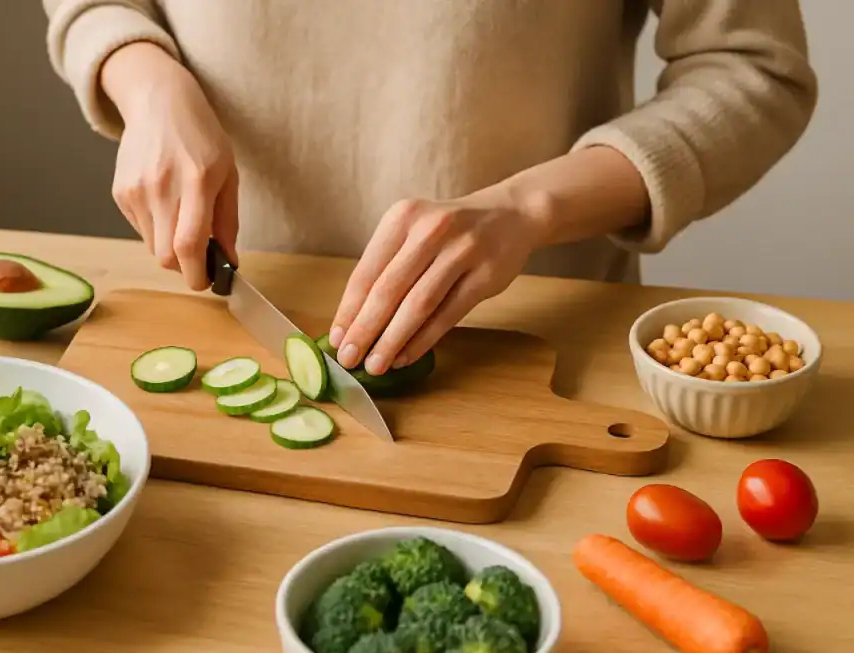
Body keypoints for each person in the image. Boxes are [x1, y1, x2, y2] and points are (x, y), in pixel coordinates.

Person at [42, 1, 816, 377]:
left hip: (533, 339)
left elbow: (755, 68)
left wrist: (530, 206)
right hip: (216, 307)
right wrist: (140, 73)